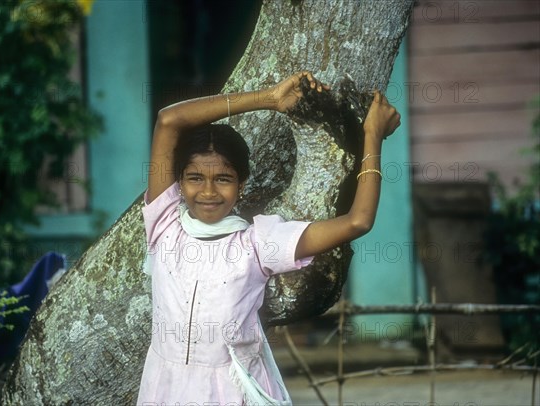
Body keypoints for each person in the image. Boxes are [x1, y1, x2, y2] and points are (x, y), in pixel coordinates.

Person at [137, 71, 400, 405]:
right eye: (194, 178)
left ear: (242, 184)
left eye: (223, 179)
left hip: (233, 393)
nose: (207, 191)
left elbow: (357, 222)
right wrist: (270, 98)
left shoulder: (257, 244)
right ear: (179, 182)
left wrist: (372, 137)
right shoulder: (163, 226)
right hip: (164, 389)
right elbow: (169, 120)